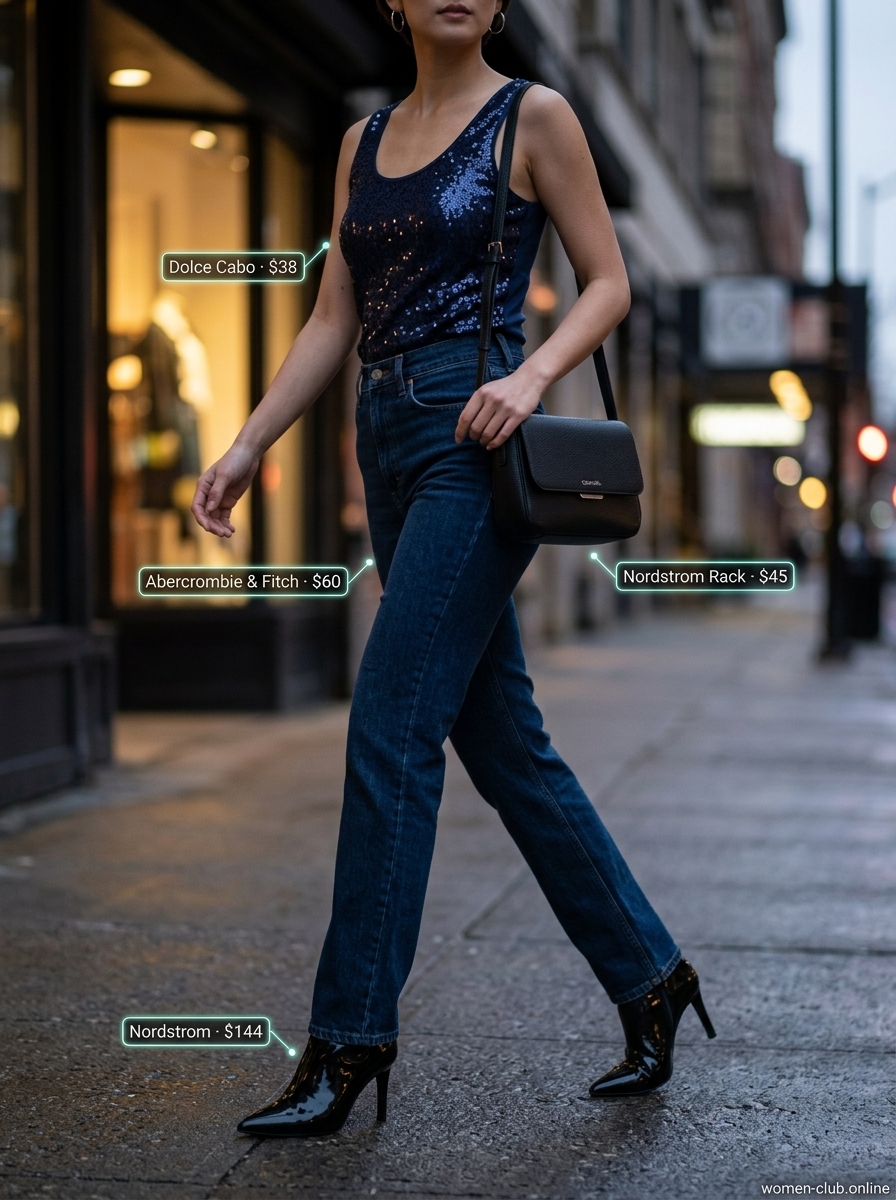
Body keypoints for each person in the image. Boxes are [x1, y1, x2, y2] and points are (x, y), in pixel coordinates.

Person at [191, 0, 715, 1140]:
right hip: (386, 439)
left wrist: (528, 383)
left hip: (476, 444)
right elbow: (335, 314)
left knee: (388, 721)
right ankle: (650, 976)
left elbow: (608, 282)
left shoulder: (534, 116)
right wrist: (247, 441)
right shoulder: (359, 142)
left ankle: (348, 1038)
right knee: (502, 740)